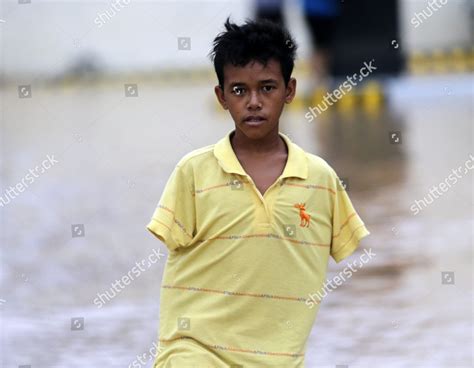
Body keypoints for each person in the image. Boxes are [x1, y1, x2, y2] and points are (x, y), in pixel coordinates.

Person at [146, 17, 370, 368]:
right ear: (221, 96)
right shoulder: (193, 172)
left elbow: (348, 264)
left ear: (290, 90)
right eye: (239, 90)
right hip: (194, 354)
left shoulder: (320, 179)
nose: (253, 102)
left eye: (267, 87)